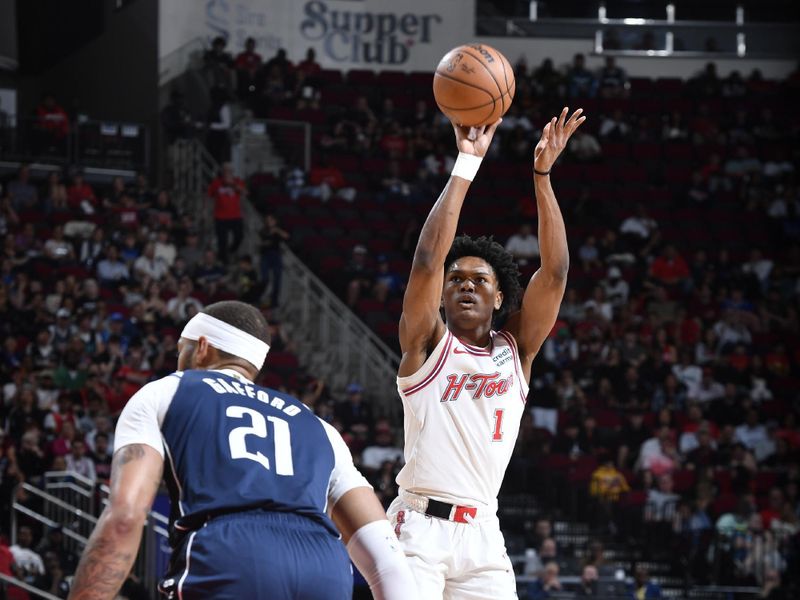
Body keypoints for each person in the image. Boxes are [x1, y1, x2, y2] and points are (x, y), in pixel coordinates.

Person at [68, 301, 416, 600]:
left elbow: (126, 516)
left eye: (181, 350)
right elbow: (386, 560)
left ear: (201, 347)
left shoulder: (167, 391)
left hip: (232, 553)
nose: (179, 361)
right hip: (324, 566)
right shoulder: (318, 425)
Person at [387, 106, 585, 598]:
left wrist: (542, 174)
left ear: (499, 297)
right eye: (456, 281)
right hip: (418, 527)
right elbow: (428, 259)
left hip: (482, 534)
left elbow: (555, 273)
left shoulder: (515, 350)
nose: (466, 285)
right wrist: (465, 165)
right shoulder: (426, 341)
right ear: (442, 295)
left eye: (480, 280)